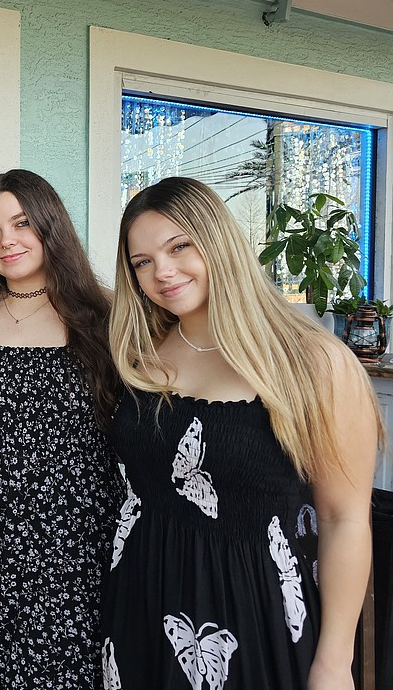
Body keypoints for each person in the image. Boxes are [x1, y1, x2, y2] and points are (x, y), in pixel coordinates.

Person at [102, 176, 380, 689]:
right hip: (142, 604)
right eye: (141, 262)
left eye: (179, 246)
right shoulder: (139, 356)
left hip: (255, 616)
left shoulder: (312, 362)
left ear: (219, 242)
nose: (162, 271)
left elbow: (343, 518)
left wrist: (334, 661)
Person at [0, 169, 123, 688]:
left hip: (77, 534)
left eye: (21, 223)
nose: (6, 241)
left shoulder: (104, 315)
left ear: (49, 224)